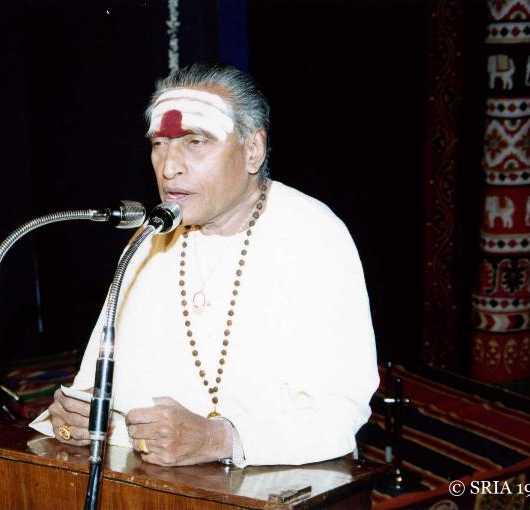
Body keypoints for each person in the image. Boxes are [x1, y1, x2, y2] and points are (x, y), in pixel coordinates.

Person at [48, 62, 378, 467]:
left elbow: (340, 413)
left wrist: (220, 439)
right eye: (159, 144)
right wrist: (77, 420)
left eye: (196, 142)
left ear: (252, 150)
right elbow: (93, 392)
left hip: (281, 482)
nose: (169, 167)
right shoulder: (147, 243)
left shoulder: (313, 236)